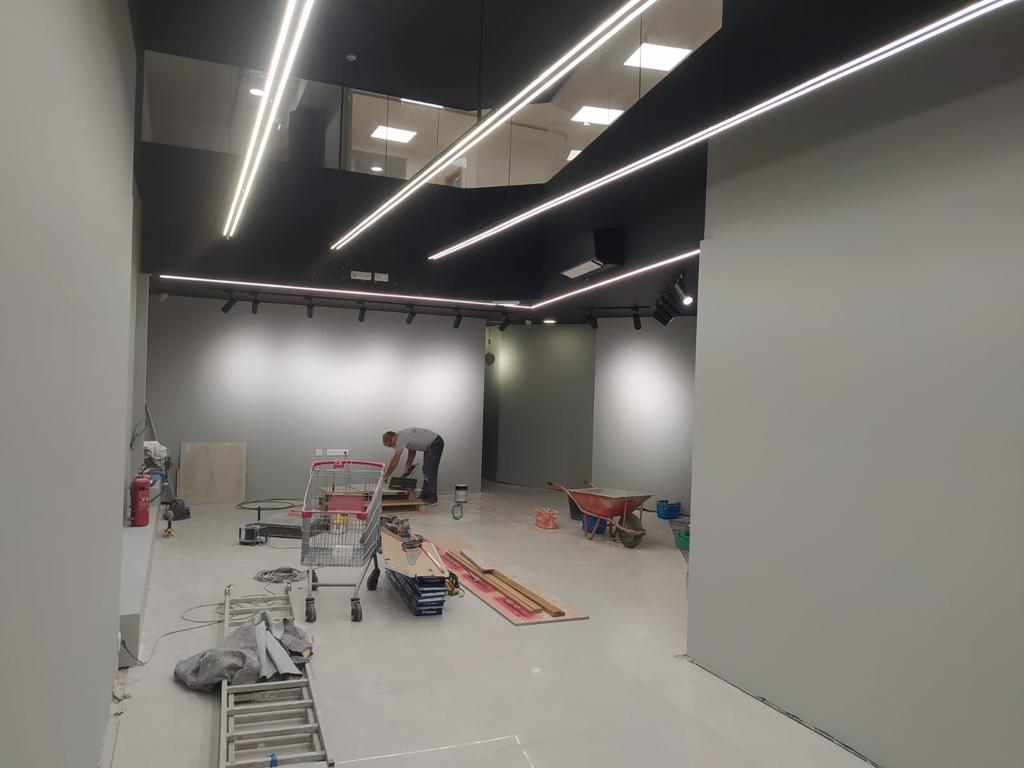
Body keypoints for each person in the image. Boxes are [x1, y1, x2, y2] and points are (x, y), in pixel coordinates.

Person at [382, 428, 444, 504]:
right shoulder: (403, 436)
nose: (392, 446)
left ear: (393, 437)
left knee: (429, 471)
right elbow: (412, 452)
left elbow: (396, 459)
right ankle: (425, 495)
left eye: (390, 445)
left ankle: (432, 498)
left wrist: (387, 475)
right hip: (432, 445)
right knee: (426, 470)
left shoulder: (400, 439)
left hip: (435, 444)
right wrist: (407, 467)